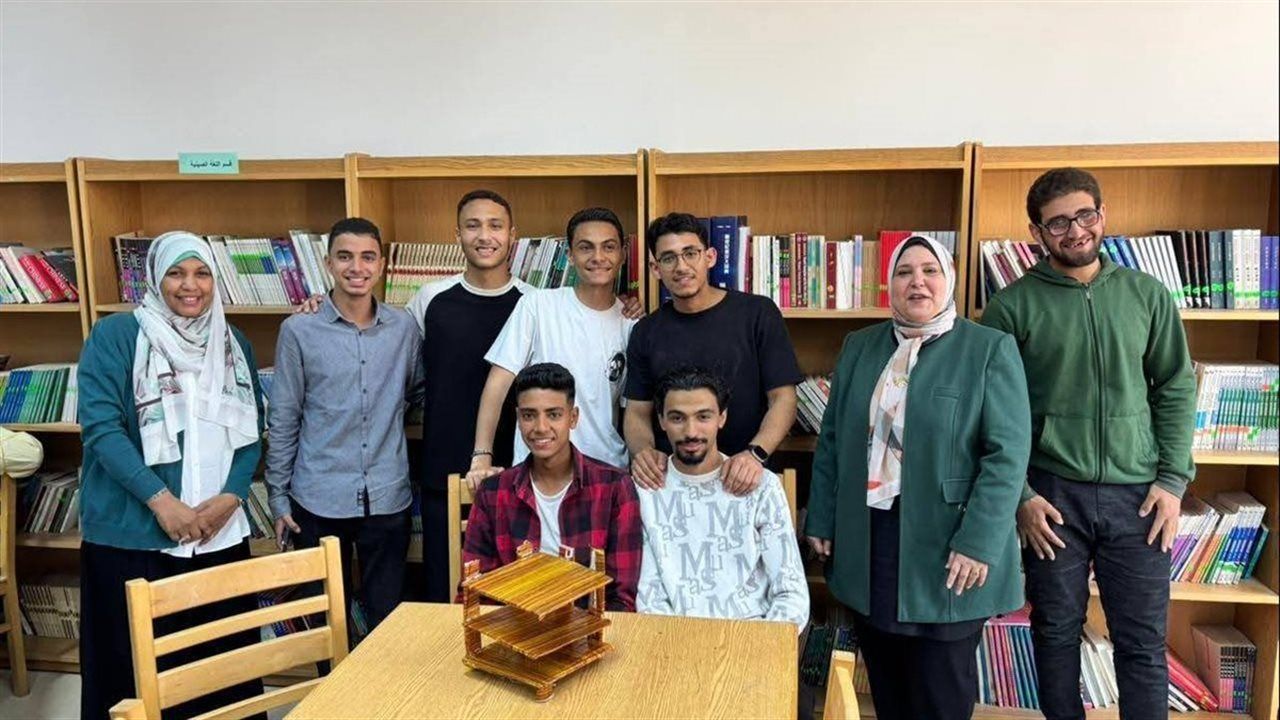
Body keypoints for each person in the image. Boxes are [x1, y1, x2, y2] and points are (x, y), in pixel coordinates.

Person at [981, 168, 1195, 719]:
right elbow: (994, 411)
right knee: (1054, 633)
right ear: (1037, 232)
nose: (1075, 231)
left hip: (1140, 498)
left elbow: (1174, 386)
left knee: (1142, 641)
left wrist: (1173, 481)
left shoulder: (1146, 295)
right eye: (1058, 223)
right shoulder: (1011, 307)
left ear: (1102, 215)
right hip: (1052, 499)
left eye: (1085, 215)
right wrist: (1022, 496)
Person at [805, 234, 1031, 720]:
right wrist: (821, 516)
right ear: (889, 284)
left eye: (930, 270)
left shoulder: (988, 349)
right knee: (888, 685)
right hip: (872, 542)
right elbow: (833, 439)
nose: (917, 282)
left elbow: (1007, 456)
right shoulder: (861, 346)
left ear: (948, 279)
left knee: (939, 692)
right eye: (904, 272)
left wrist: (978, 542)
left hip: (950, 547)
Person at [77, 231, 265, 719]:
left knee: (222, 671)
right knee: (134, 678)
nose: (190, 285)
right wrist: (161, 501)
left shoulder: (233, 342)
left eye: (202, 273)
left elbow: (252, 429)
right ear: (155, 279)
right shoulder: (117, 336)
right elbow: (101, 429)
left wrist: (233, 496)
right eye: (176, 273)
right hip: (134, 540)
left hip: (218, 534)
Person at [267, 217, 422, 635]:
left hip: (387, 496)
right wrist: (278, 497)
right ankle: (331, 681)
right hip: (318, 497)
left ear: (382, 264)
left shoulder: (404, 327)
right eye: (345, 257)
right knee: (326, 623)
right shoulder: (299, 330)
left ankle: (379, 682)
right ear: (327, 263)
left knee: (387, 619)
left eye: (368, 257)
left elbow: (415, 391)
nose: (357, 267)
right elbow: (284, 416)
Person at [625, 212, 801, 497]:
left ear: (710, 257)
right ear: (656, 269)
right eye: (668, 258)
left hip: (748, 477)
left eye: (690, 253)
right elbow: (637, 411)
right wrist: (644, 453)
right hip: (672, 484)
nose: (681, 266)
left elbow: (784, 399)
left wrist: (755, 454)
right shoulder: (646, 331)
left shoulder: (757, 314)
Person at [466, 207, 636, 488]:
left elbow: (631, 410)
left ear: (623, 254)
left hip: (605, 473)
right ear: (570, 255)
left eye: (608, 247)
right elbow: (498, 383)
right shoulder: (538, 305)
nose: (598, 257)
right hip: (537, 471)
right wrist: (482, 455)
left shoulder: (632, 324)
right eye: (585, 247)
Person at [635, 366, 808, 632]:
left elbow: (791, 594)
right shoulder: (645, 489)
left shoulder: (762, 487)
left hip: (753, 639)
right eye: (677, 418)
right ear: (661, 421)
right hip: (673, 641)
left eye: (703, 417)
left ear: (722, 417)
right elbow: (649, 597)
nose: (691, 431)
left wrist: (756, 646)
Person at [461, 363, 641, 610]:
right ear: (518, 418)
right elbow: (475, 592)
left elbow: (621, 597)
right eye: (529, 415)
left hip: (588, 626)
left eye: (554, 414)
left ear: (573, 418)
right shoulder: (493, 493)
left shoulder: (615, 488)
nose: (541, 428)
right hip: (512, 625)